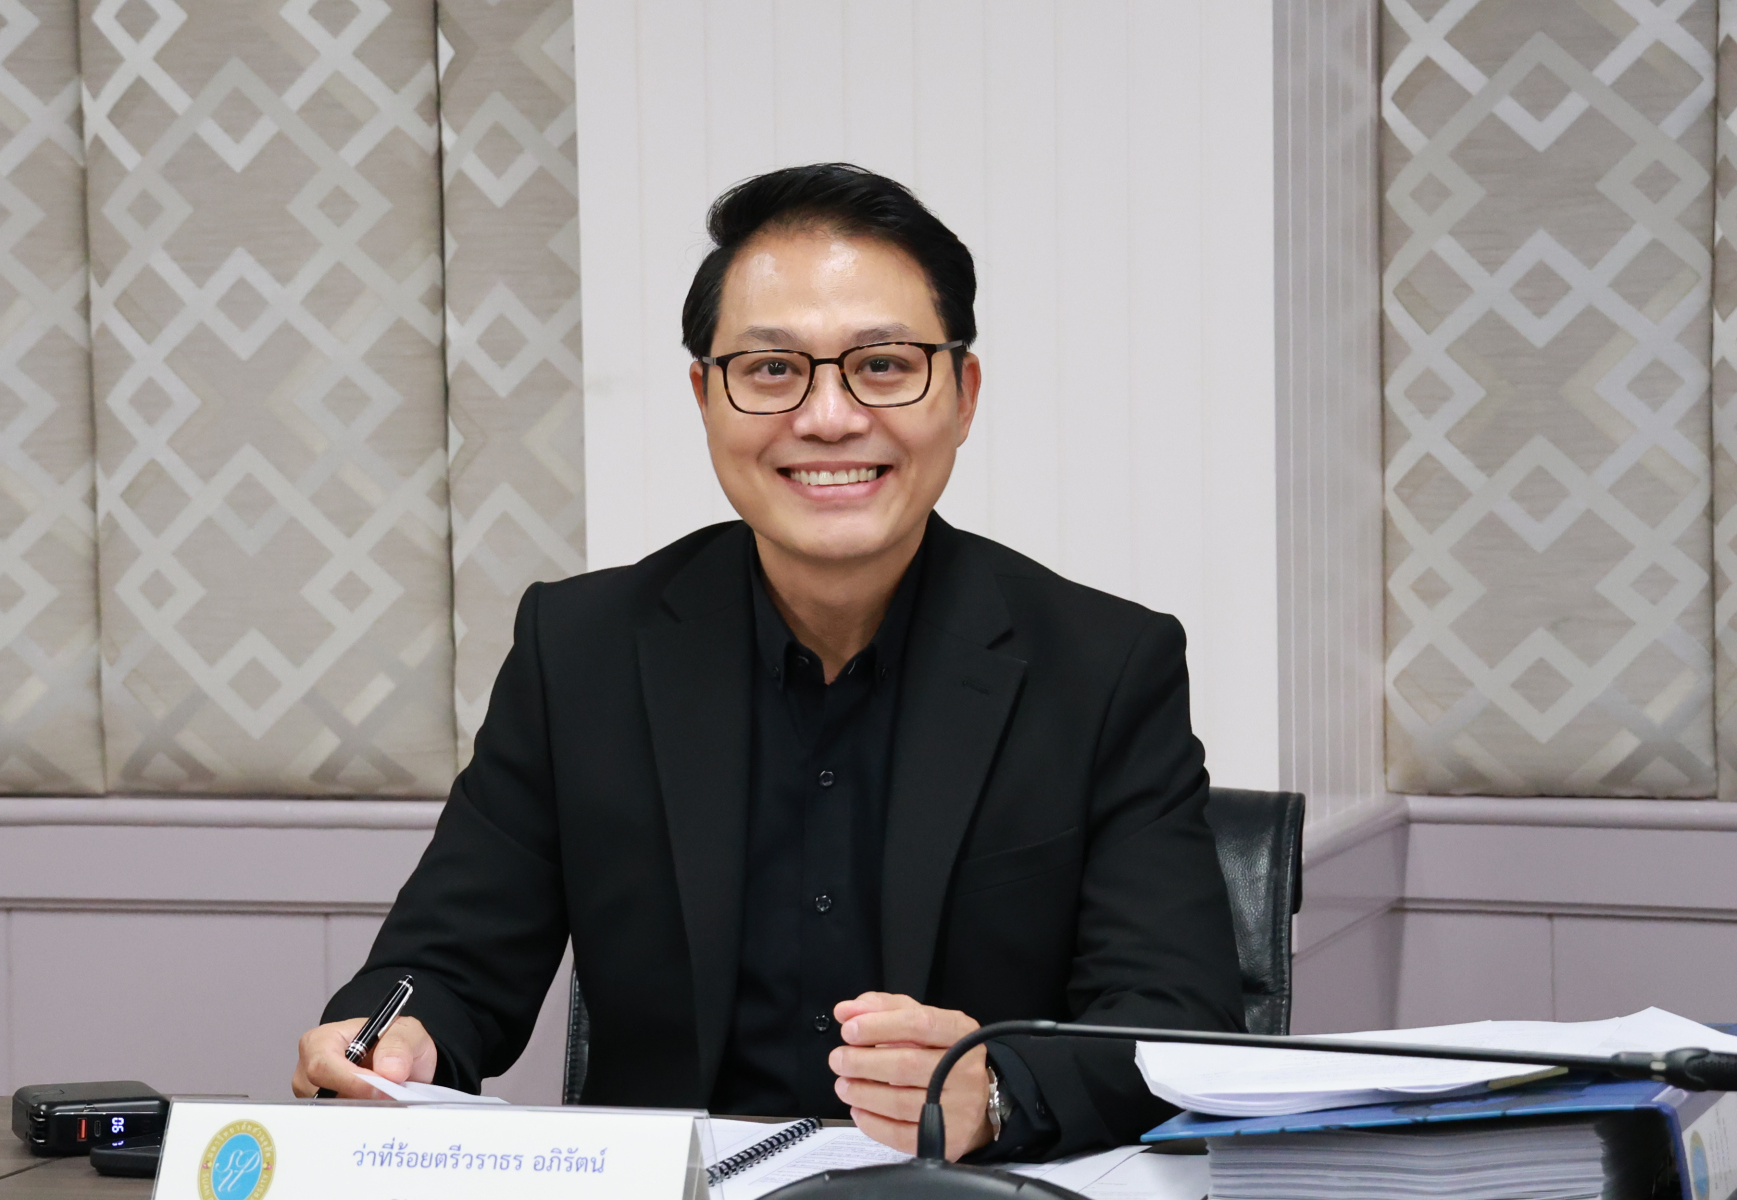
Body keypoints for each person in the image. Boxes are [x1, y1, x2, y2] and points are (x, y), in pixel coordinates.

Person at [292, 163, 1243, 1162]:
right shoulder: (579, 652)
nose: (828, 417)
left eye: (884, 365)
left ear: (963, 396)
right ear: (706, 397)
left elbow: (1175, 1019)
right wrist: (394, 1039)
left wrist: (997, 1091)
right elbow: (445, 964)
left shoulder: (1103, 669)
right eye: (773, 370)